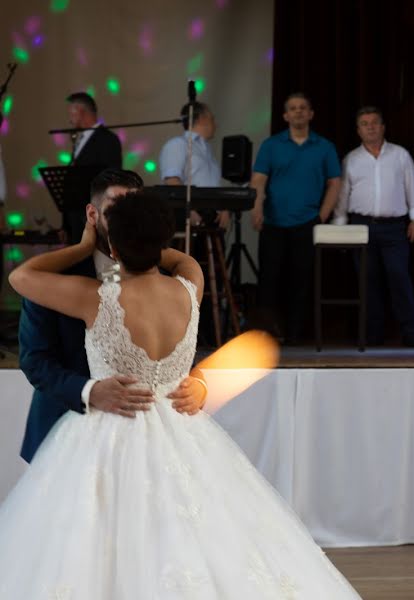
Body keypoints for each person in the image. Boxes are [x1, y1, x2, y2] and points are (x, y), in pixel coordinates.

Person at [0, 191, 361, 598]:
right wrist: (152, 242)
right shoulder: (191, 284)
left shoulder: (93, 297)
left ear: (113, 245)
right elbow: (177, 259)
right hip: (182, 427)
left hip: (109, 428)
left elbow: (21, 276)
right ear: (163, 241)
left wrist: (86, 244)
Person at [17, 168, 207, 463]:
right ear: (91, 214)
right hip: (67, 436)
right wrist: (88, 391)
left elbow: (183, 347)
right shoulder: (57, 277)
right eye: (117, 211)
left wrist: (199, 383)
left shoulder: (170, 278)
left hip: (165, 444)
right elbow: (35, 360)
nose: (128, 218)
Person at [250, 92, 341, 343]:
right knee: (269, 281)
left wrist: (321, 216)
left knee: (302, 281)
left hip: (307, 223)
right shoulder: (271, 145)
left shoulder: (324, 147)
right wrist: (256, 209)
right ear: (285, 116)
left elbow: (335, 183)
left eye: (303, 107)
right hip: (274, 223)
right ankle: (265, 336)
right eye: (293, 108)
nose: (298, 111)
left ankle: (296, 336)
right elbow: (258, 180)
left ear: (311, 114)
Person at [334, 106, 414, 347]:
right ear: (358, 130)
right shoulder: (351, 159)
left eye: (375, 122)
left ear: (383, 127)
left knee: (399, 277)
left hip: (394, 228)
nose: (371, 127)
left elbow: (413, 187)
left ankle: (409, 331)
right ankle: (373, 334)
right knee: (367, 281)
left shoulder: (400, 155)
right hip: (361, 227)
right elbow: (342, 195)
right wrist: (340, 226)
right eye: (365, 123)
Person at [159, 101, 230, 230]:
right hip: (189, 215)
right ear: (202, 119)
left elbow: (212, 184)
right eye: (212, 119)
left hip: (211, 218)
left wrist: (223, 208)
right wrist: (188, 211)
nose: (215, 124)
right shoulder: (178, 144)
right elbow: (172, 181)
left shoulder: (207, 150)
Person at [63, 92, 122, 242]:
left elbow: (111, 179)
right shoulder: (79, 140)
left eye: (72, 113)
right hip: (76, 218)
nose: (70, 119)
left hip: (93, 218)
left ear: (82, 112)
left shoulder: (107, 139)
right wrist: (65, 224)